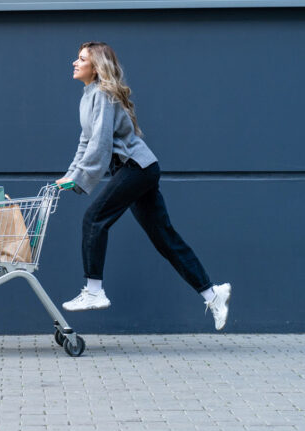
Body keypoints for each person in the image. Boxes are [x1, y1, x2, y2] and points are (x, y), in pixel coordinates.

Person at [55, 41, 232, 330]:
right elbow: (85, 142)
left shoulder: (103, 95)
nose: (74, 62)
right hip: (138, 170)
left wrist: (79, 178)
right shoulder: (88, 96)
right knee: (164, 238)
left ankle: (94, 291)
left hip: (137, 168)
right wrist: (70, 174)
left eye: (81, 59)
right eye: (76, 58)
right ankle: (213, 294)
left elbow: (100, 145)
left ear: (96, 67)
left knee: (94, 219)